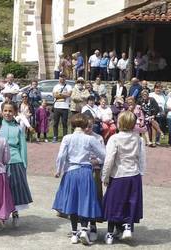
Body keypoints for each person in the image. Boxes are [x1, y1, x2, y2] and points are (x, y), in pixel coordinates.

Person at [52, 114, 106, 245]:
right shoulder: (90, 139)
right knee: (85, 201)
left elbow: (61, 156)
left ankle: (74, 233)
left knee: (73, 202)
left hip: (71, 171)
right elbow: (104, 155)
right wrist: (96, 161)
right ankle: (84, 229)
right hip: (86, 172)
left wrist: (59, 170)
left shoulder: (67, 138)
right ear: (84, 125)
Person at [102, 111, 145, 245]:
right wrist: (140, 173)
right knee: (130, 202)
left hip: (118, 175)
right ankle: (127, 226)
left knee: (114, 203)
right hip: (134, 174)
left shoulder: (114, 138)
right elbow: (142, 158)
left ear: (120, 123)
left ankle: (109, 234)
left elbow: (109, 159)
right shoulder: (139, 139)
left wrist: (105, 176)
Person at [0, 102, 33, 227]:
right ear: (1, 111)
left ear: (15, 112)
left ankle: (15, 212)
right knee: (2, 189)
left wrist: (24, 164)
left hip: (15, 161)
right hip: (0, 162)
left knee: (15, 188)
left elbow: (22, 147)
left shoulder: (18, 128)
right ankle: (1, 214)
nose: (7, 113)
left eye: (10, 111)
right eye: (5, 111)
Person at [52, 74, 73, 142]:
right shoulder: (56, 86)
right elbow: (54, 95)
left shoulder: (69, 86)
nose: (62, 79)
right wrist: (64, 94)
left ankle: (65, 137)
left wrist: (60, 94)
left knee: (64, 123)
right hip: (57, 107)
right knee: (55, 123)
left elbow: (69, 94)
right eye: (61, 78)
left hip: (65, 107)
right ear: (59, 78)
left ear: (65, 79)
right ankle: (55, 136)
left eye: (63, 78)